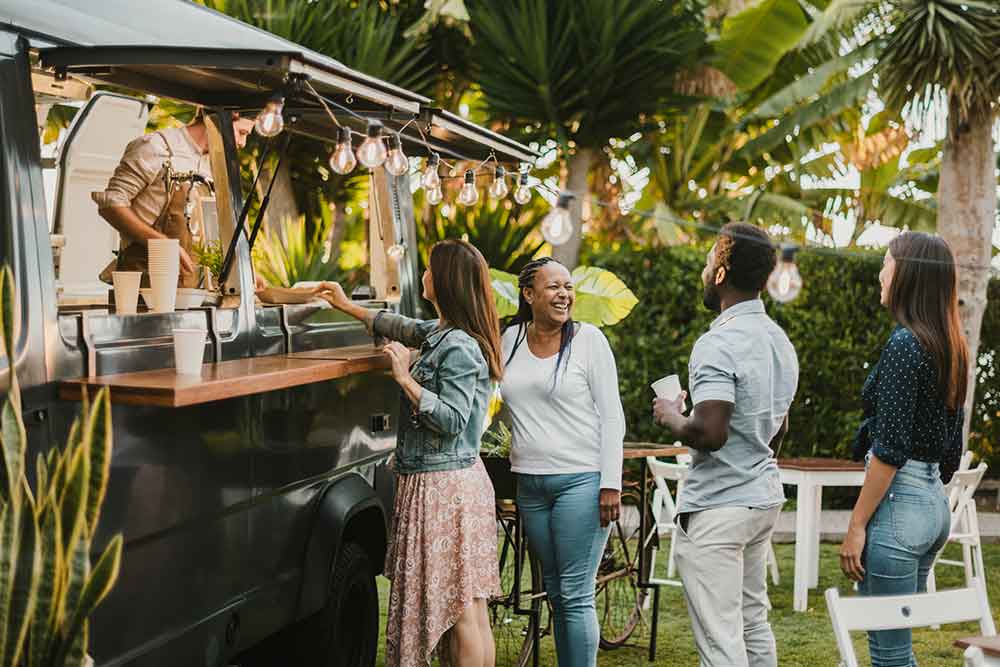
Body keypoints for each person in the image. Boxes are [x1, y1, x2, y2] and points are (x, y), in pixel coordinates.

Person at [319, 239, 502, 667]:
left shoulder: (459, 346)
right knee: (468, 608)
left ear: (446, 282)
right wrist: (349, 306)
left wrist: (404, 378)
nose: (423, 275)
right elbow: (401, 326)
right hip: (446, 483)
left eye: (430, 269)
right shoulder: (443, 333)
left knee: (462, 612)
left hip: (447, 487)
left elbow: (453, 418)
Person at [652, 222, 798, 667]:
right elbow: (779, 426)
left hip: (718, 509)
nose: (704, 268)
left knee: (721, 642)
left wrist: (671, 415)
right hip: (761, 499)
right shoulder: (780, 342)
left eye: (709, 259)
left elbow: (712, 434)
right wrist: (696, 418)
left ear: (720, 273)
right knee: (753, 622)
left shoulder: (717, 342)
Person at [839, 232, 965, 667]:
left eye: (886, 263)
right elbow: (952, 451)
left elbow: (889, 449)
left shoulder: (904, 345)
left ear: (907, 274)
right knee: (896, 648)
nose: (880, 273)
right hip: (933, 510)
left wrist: (857, 525)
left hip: (898, 507)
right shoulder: (950, 346)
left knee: (889, 657)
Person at [497, 256, 625, 667]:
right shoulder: (510, 339)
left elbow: (611, 416)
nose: (564, 294)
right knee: (554, 592)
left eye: (568, 286)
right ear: (529, 294)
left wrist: (611, 483)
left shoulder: (589, 341)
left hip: (581, 482)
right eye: (553, 287)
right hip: (530, 484)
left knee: (574, 593)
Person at [92, 111, 254, 287]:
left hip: (194, 291)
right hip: (146, 289)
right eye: (241, 133)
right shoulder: (156, 147)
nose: (242, 143)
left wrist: (244, 272)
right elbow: (111, 204)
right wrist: (161, 244)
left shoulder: (214, 165)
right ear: (224, 118)